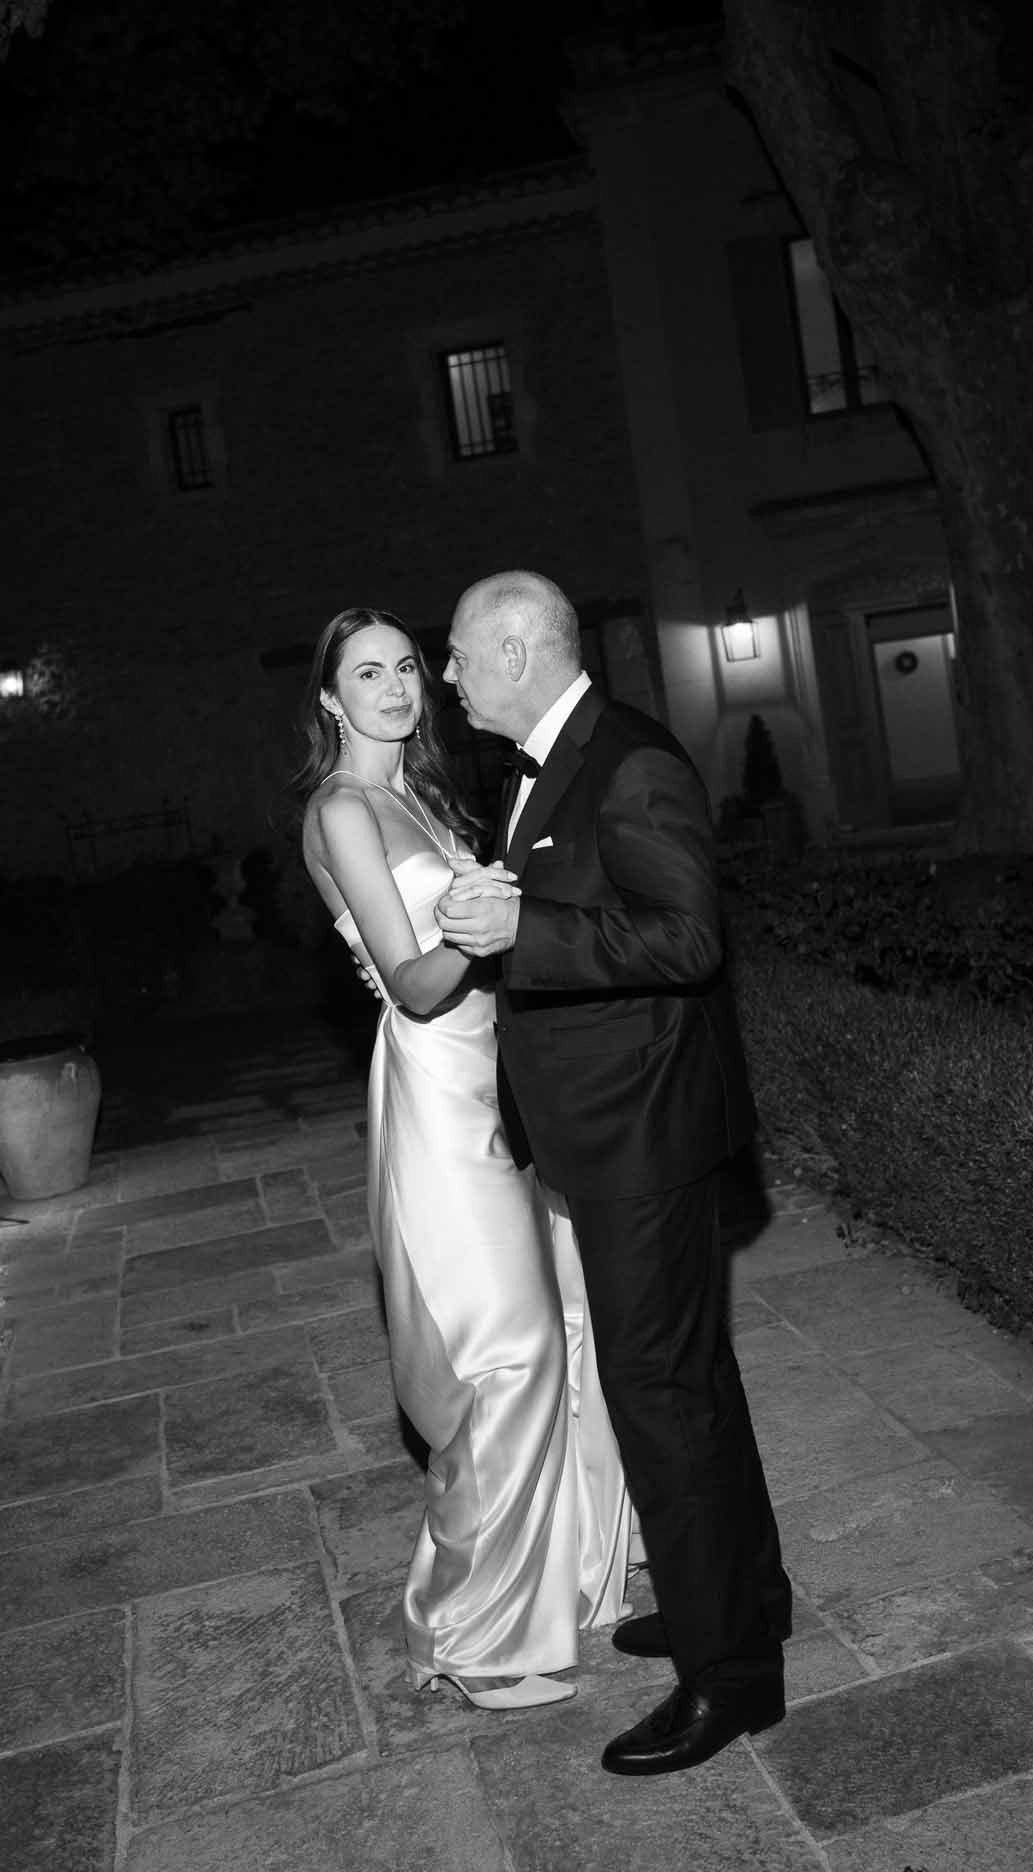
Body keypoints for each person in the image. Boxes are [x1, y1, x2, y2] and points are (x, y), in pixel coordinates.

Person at [436, 570, 792, 1777]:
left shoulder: (628, 757)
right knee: (689, 1377)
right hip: (615, 1128)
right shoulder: (548, 759)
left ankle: (728, 1676)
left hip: (644, 1134)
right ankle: (746, 1600)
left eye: (462, 655)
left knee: (659, 1393)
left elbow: (688, 935)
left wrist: (519, 933)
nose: (448, 676)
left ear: (523, 648)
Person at [296, 605, 632, 1711]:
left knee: (570, 1321)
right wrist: (484, 916)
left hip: (502, 1083)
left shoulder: (424, 795)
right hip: (439, 1096)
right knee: (510, 1351)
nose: (395, 687)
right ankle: (473, 1631)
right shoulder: (343, 809)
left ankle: (576, 1576)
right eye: (367, 673)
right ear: (330, 698)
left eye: (405, 666)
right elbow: (414, 978)